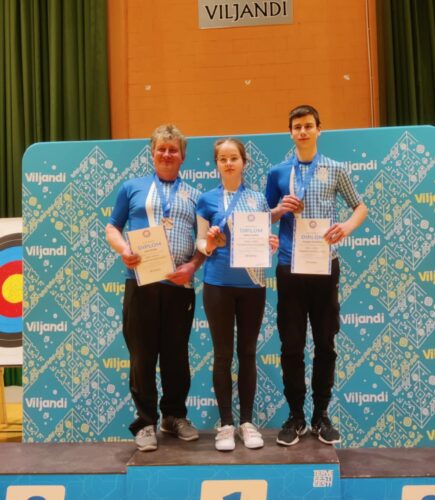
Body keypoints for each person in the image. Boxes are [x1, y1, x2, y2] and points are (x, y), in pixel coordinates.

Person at [266, 105, 368, 446]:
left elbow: (360, 206)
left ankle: (321, 415)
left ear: (319, 130)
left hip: (325, 265)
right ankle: (296, 415)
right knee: (291, 344)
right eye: (297, 127)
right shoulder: (278, 172)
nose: (303, 131)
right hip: (289, 266)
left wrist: (347, 227)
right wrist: (279, 210)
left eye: (308, 126)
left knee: (325, 342)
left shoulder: (335, 169)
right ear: (290, 133)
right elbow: (264, 216)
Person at [105, 124, 204, 452]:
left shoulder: (195, 196)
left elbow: (204, 242)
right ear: (152, 153)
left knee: (176, 355)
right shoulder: (131, 188)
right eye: (161, 148)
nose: (166, 154)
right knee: (142, 355)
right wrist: (124, 250)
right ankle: (145, 421)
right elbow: (112, 227)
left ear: (182, 156)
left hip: (179, 287)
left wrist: (192, 265)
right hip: (140, 283)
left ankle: (173, 416)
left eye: (173, 149)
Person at [196, 138, 278, 451]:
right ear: (216, 164)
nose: (228, 163)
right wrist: (209, 243)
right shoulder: (206, 199)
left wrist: (270, 244)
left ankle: (246, 422)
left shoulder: (258, 200)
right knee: (222, 354)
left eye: (234, 158)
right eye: (223, 159)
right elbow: (200, 242)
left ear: (244, 162)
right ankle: (226, 424)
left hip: (252, 286)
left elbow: (264, 239)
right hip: (217, 284)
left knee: (247, 352)